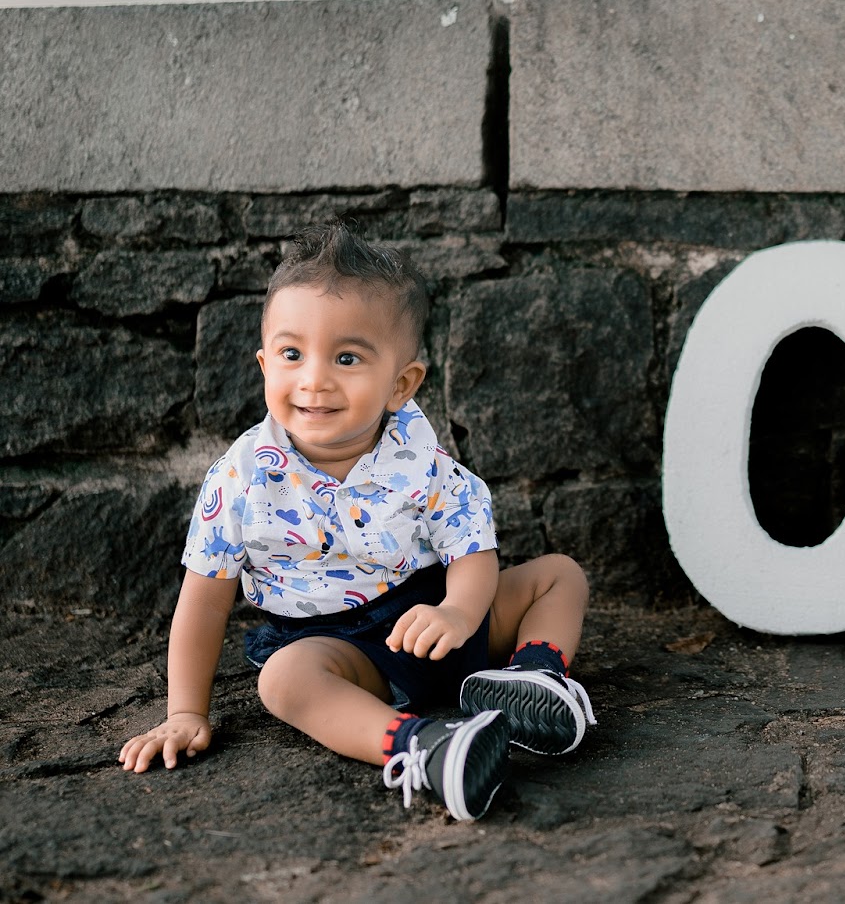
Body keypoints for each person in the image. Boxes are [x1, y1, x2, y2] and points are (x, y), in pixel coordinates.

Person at [119, 222, 595, 822]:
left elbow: (471, 548)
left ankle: (533, 679)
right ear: (265, 364)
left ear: (401, 384)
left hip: (437, 618)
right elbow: (204, 602)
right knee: (285, 681)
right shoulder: (242, 478)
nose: (314, 379)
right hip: (342, 652)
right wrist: (186, 711)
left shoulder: (420, 460)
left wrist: (459, 611)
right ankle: (426, 748)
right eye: (292, 354)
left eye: (347, 358)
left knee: (558, 575)